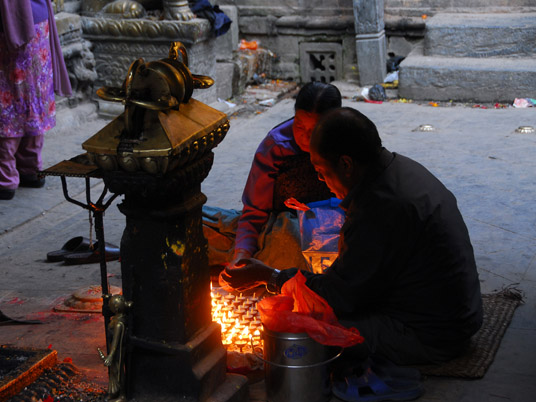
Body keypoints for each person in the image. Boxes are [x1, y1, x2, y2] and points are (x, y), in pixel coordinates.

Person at [221, 107, 483, 368]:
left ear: (346, 164)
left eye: (321, 171)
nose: (322, 181)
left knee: (302, 334)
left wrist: (271, 277)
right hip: (458, 314)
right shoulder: (399, 169)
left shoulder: (380, 207)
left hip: (431, 334)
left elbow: (340, 299)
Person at [204, 82, 342, 271]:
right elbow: (254, 212)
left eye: (315, 130)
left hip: (330, 227)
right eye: (300, 126)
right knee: (196, 224)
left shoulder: (346, 142)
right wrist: (242, 256)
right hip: (275, 226)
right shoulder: (277, 145)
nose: (305, 137)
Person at [0, 0, 72, 200]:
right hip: (34, 20)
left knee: (1, 102)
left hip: (1, 25)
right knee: (30, 94)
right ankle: (29, 169)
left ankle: (1, 179)